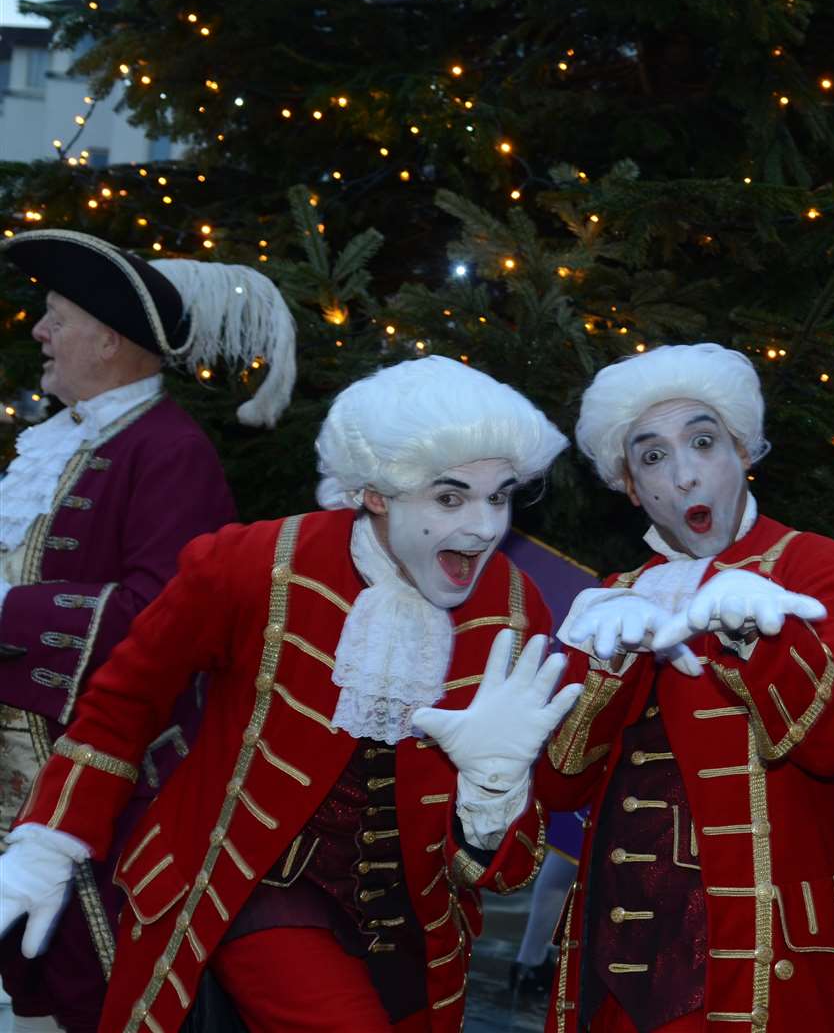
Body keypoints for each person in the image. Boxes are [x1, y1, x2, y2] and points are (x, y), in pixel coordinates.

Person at [0, 356, 582, 1033]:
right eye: (449, 498)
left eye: (501, 495)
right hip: (249, 889)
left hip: (411, 927)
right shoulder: (250, 566)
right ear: (375, 493)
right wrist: (50, 838)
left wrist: (492, 791)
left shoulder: (514, 613)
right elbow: (123, 706)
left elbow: (506, 872)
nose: (484, 527)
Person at [0, 229, 298, 1032]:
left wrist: (6, 611)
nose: (39, 331)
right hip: (22, 777)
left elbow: (167, 617)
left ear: (109, 337)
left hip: (112, 786)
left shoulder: (169, 450)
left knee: (102, 991)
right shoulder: (63, 439)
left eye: (55, 314)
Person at [536, 342, 834, 1032]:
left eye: (703, 442)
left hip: (758, 963)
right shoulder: (614, 598)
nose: (686, 476)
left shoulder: (817, 567)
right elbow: (559, 786)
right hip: (613, 971)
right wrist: (606, 669)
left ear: (744, 451)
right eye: (653, 457)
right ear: (630, 485)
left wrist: (765, 643)